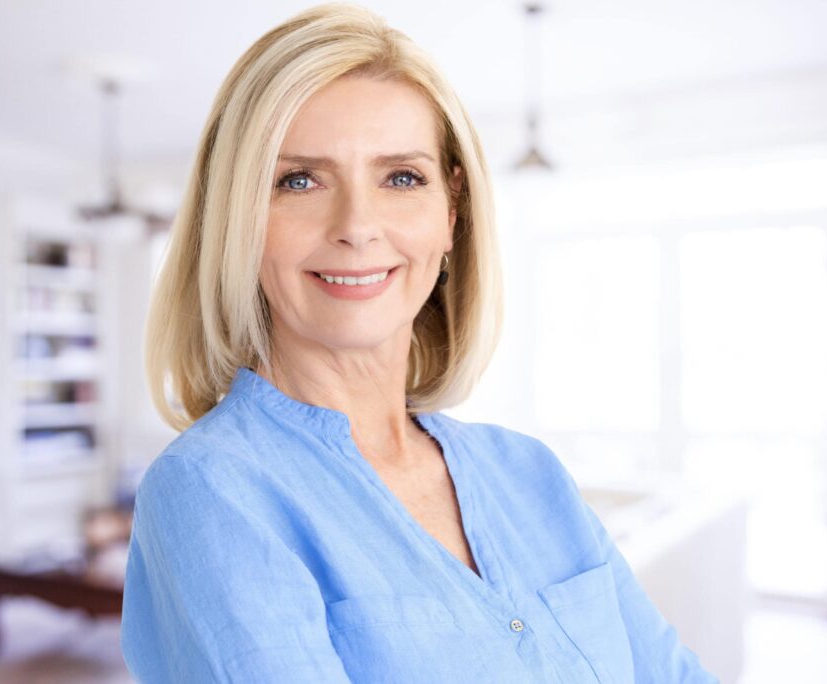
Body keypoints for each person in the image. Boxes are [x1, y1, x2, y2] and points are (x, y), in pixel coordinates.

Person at [120, 3, 720, 682]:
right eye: (299, 180)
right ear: (238, 221)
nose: (357, 225)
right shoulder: (212, 490)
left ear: (451, 211)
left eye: (401, 177)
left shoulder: (530, 473)